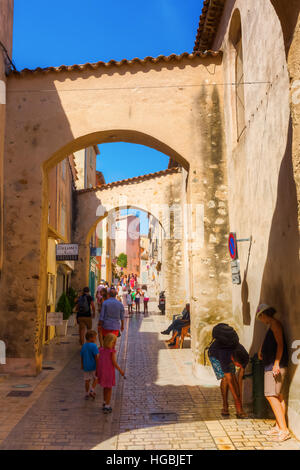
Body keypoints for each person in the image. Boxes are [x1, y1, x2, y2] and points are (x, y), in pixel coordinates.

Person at [256, 304, 290, 442]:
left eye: (260, 317)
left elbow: (280, 344)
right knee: (278, 395)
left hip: (274, 365)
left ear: (264, 315)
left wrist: (276, 363)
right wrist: (260, 350)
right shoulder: (271, 325)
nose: (261, 320)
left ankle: (284, 430)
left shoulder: (275, 324)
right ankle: (279, 426)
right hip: (272, 364)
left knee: (270, 395)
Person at [208, 324, 248, 419]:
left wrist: (240, 400)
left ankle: (238, 409)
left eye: (239, 366)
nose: (237, 366)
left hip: (228, 354)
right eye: (236, 364)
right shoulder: (224, 356)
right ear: (233, 359)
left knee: (233, 376)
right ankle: (225, 406)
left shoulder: (244, 356)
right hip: (214, 354)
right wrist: (237, 402)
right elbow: (230, 380)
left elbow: (240, 379)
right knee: (226, 378)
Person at [96, 333, 125, 414]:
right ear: (110, 342)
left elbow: (99, 361)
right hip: (109, 373)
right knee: (109, 389)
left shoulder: (101, 350)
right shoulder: (111, 352)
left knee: (105, 388)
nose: (115, 344)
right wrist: (121, 371)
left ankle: (105, 402)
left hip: (102, 372)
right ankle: (107, 406)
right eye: (114, 342)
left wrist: (97, 371)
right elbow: (114, 363)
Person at [80, 330, 99, 400]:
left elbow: (81, 356)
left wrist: (82, 365)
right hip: (93, 366)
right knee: (96, 378)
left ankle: (86, 393)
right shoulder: (94, 346)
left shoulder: (84, 346)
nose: (96, 339)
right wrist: (98, 366)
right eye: (95, 338)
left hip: (86, 366)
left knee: (87, 380)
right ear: (91, 338)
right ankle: (92, 389)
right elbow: (96, 357)